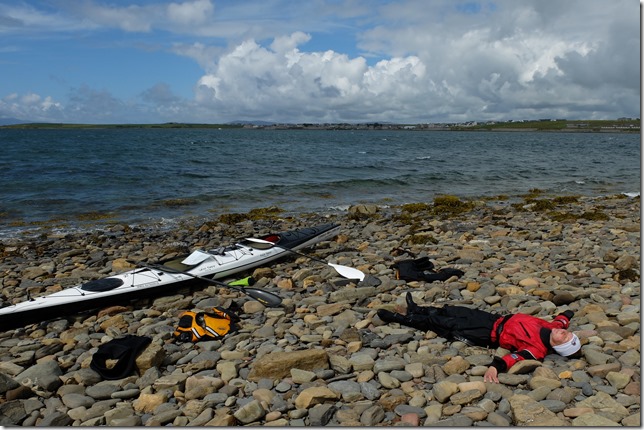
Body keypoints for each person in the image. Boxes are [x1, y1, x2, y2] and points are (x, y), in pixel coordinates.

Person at [377, 293, 581, 383]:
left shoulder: (537, 350)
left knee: (443, 324)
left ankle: (401, 318)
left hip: (487, 333)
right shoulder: (554, 327)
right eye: (568, 333)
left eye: (565, 338)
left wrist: (495, 367)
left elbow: (515, 359)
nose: (563, 333)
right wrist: (570, 312)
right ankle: (417, 308)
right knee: (454, 310)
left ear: (559, 348)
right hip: (495, 319)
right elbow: (563, 319)